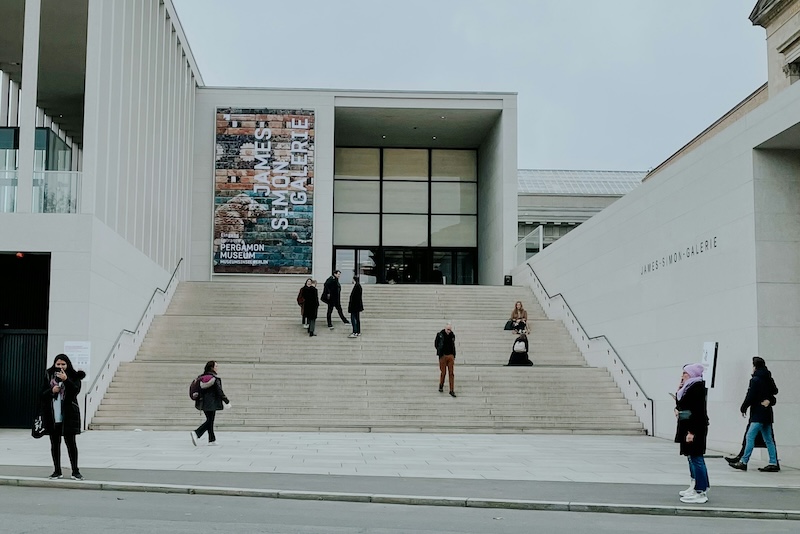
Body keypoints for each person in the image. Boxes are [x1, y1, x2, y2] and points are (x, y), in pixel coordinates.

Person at [40, 354, 86, 480]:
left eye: (63, 364)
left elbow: (75, 391)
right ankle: (57, 471)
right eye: (58, 364)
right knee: (55, 444)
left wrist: (66, 380)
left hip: (68, 414)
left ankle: (75, 471)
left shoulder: (74, 376)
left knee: (71, 443)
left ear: (68, 365)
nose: (60, 367)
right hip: (53, 414)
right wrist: (51, 391)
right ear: (54, 365)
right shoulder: (49, 375)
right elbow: (42, 394)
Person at [729, 356, 780, 472]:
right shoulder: (768, 378)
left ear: (755, 367)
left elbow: (750, 395)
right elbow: (775, 391)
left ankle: (743, 461)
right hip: (767, 413)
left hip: (757, 413)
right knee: (768, 439)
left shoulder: (755, 380)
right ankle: (773, 462)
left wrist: (743, 407)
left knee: (750, 436)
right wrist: (769, 400)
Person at [674, 363, 710, 504]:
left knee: (696, 458)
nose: (683, 375)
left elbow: (697, 411)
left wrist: (692, 431)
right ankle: (695, 485)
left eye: (685, 373)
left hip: (694, 427)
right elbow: (682, 404)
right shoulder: (688, 387)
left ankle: (701, 490)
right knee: (691, 457)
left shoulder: (697, 388)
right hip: (687, 426)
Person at [190, 360, 230, 446]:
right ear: (212, 368)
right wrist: (226, 401)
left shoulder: (201, 377)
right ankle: (196, 433)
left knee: (210, 420)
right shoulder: (214, 379)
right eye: (216, 366)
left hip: (202, 402)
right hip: (212, 402)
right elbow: (220, 391)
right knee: (210, 420)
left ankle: (212, 440)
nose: (217, 368)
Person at [435, 323, 457, 397]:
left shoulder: (452, 336)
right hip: (443, 356)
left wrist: (453, 355)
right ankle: (441, 385)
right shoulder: (440, 335)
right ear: (445, 329)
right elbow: (436, 344)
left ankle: (451, 390)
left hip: (450, 356)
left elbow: (453, 345)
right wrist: (439, 351)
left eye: (450, 329)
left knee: (451, 373)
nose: (449, 331)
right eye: (448, 329)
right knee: (443, 372)